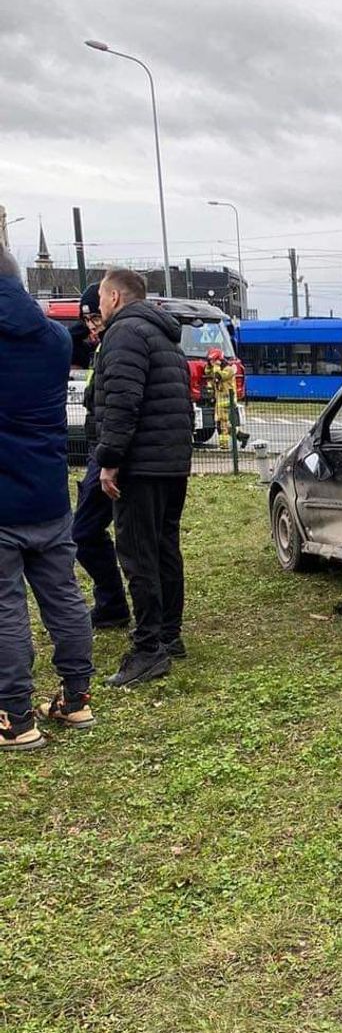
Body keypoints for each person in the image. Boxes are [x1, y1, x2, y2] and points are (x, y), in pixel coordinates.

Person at [0, 246, 96, 750]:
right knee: (63, 596)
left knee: (5, 608)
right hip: (48, 494)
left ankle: (15, 717)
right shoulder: (55, 341)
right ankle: (76, 698)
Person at [90, 269, 193, 687]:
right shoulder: (163, 335)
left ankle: (148, 649)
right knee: (166, 546)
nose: (97, 307)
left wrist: (109, 460)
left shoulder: (125, 334)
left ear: (114, 296)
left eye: (99, 298)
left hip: (140, 465)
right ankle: (169, 636)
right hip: (171, 461)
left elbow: (121, 402)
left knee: (137, 554)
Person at [70, 282, 132, 631]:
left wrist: (108, 459)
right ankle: (111, 603)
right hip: (101, 450)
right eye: (87, 321)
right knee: (88, 531)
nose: (92, 326)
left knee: (85, 531)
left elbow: (117, 406)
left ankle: (113, 604)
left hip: (106, 453)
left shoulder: (117, 344)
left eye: (96, 317)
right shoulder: (102, 344)